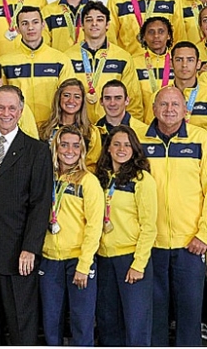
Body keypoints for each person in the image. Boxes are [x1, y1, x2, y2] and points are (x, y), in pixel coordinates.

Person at [0, 85, 53, 345]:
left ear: (20, 111)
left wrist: (30, 248)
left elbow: (40, 204)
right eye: (0, 107)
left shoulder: (37, 151)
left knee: (21, 319)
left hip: (18, 251)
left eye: (11, 108)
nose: (5, 113)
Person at [139, 87, 207, 346]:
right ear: (154, 109)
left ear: (185, 110)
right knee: (154, 314)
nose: (169, 110)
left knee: (190, 314)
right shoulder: (140, 142)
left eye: (175, 105)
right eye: (163, 104)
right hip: (151, 244)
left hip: (190, 244)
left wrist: (203, 234)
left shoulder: (201, 140)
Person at [39, 125, 103, 346]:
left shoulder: (88, 181)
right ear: (56, 147)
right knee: (50, 321)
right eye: (64, 144)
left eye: (76, 145)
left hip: (78, 261)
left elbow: (94, 226)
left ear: (82, 150)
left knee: (82, 322)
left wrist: (84, 264)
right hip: (49, 261)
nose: (69, 150)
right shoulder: (46, 177)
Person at [95, 125, 158, 346]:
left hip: (130, 260)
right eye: (117, 144)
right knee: (108, 323)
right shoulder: (100, 178)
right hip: (103, 260)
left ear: (135, 149)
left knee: (136, 326)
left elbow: (149, 226)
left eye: (127, 145)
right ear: (108, 148)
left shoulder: (142, 180)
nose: (122, 149)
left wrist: (138, 264)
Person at [64, 0, 143, 122]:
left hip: (112, 129)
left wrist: (129, 130)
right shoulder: (68, 57)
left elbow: (133, 100)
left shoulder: (123, 57)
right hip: (77, 128)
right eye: (89, 20)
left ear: (107, 25)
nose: (94, 24)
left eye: (100, 20)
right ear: (82, 25)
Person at [0, 6, 76, 126]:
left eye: (35, 22)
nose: (30, 27)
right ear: (17, 29)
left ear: (43, 25)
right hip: (19, 128)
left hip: (52, 127)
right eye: (24, 23)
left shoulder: (60, 60)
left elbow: (69, 96)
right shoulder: (4, 62)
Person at [39, 78, 102, 171]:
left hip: (76, 183)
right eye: (66, 95)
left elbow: (91, 166)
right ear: (59, 98)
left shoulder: (91, 132)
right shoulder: (42, 129)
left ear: (82, 101)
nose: (71, 100)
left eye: (77, 97)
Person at [145, 41, 207, 130]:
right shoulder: (158, 96)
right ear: (171, 63)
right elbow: (150, 133)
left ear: (198, 64)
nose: (184, 65)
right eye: (179, 60)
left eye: (190, 60)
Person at [133, 16, 175, 118]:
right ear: (143, 37)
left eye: (161, 31)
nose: (156, 36)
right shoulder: (133, 62)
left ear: (168, 35)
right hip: (142, 124)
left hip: (172, 121)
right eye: (151, 32)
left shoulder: (177, 61)